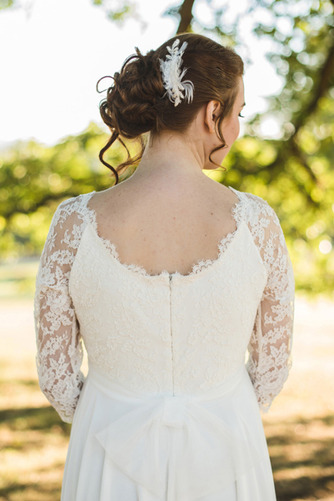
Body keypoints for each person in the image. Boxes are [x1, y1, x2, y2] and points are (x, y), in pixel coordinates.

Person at [34, 33, 294, 501]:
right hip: (229, 451)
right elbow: (271, 371)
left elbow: (57, 380)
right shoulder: (258, 223)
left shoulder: (73, 224)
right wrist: (216, 406)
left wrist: (112, 411)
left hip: (106, 454)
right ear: (213, 113)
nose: (237, 129)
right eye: (239, 115)